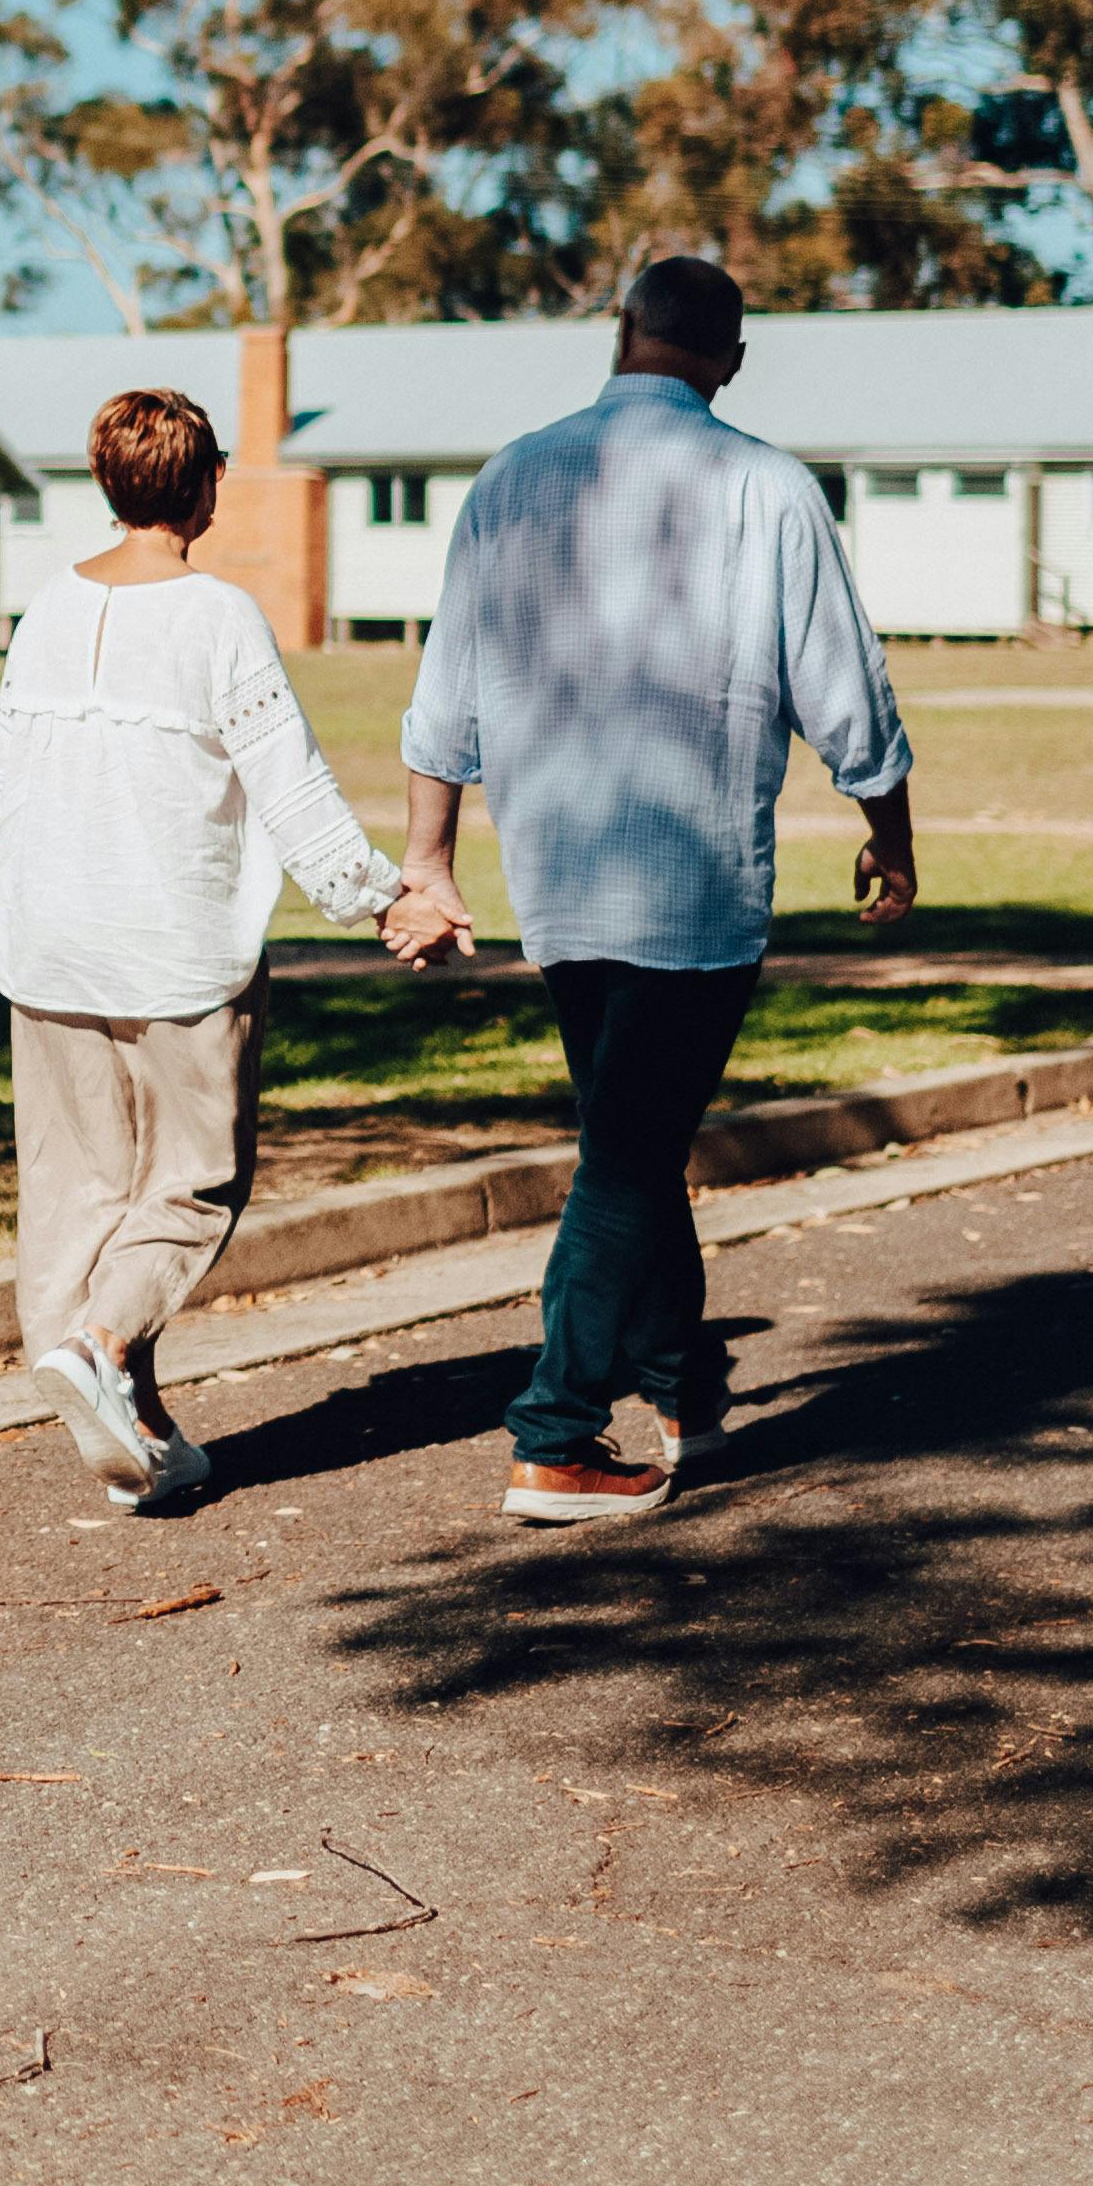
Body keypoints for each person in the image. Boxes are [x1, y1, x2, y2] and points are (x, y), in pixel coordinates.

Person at [382, 252, 915, 1527]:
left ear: (618, 339)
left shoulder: (511, 477)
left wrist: (430, 860)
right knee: (626, 1154)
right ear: (730, 356)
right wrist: (889, 830)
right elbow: (843, 684)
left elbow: (443, 692)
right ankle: (555, 1434)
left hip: (555, 870)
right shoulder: (766, 486)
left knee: (635, 1135)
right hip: (692, 876)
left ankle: (682, 1386)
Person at [0, 383, 406, 1513]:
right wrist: (379, 900)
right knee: (191, 1182)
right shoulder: (218, 615)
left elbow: (7, 790)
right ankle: (103, 1343)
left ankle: (136, 1428)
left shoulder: (44, 609)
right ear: (208, 484)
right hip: (173, 949)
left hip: (48, 944)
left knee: (81, 1188)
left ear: (107, 482)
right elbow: (294, 789)